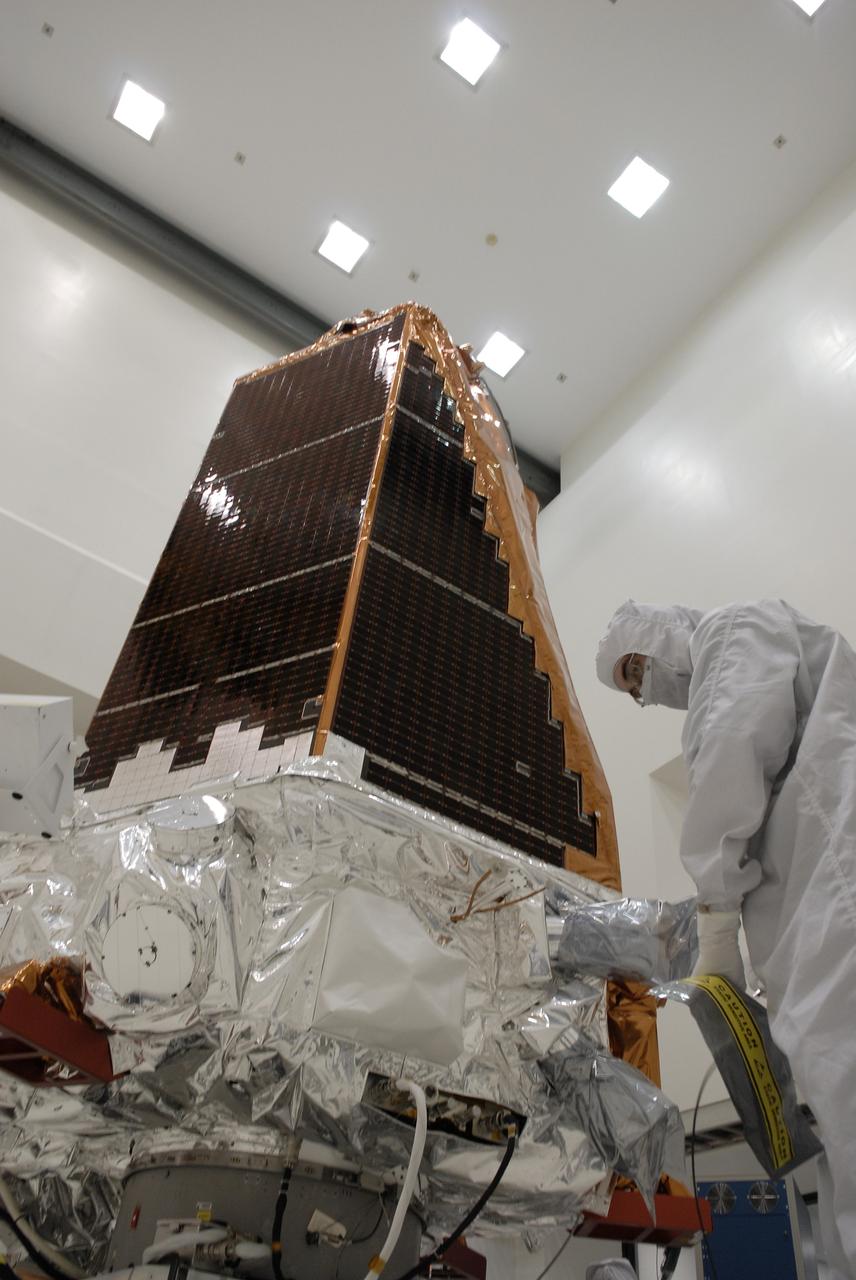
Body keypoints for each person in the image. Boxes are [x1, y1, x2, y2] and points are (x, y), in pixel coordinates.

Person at [596, 599, 856, 1280]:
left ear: (655, 635)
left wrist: (716, 924)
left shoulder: (734, 630)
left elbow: (729, 750)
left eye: (635, 671)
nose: (643, 693)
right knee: (834, 1125)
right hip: (815, 915)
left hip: (838, 899)